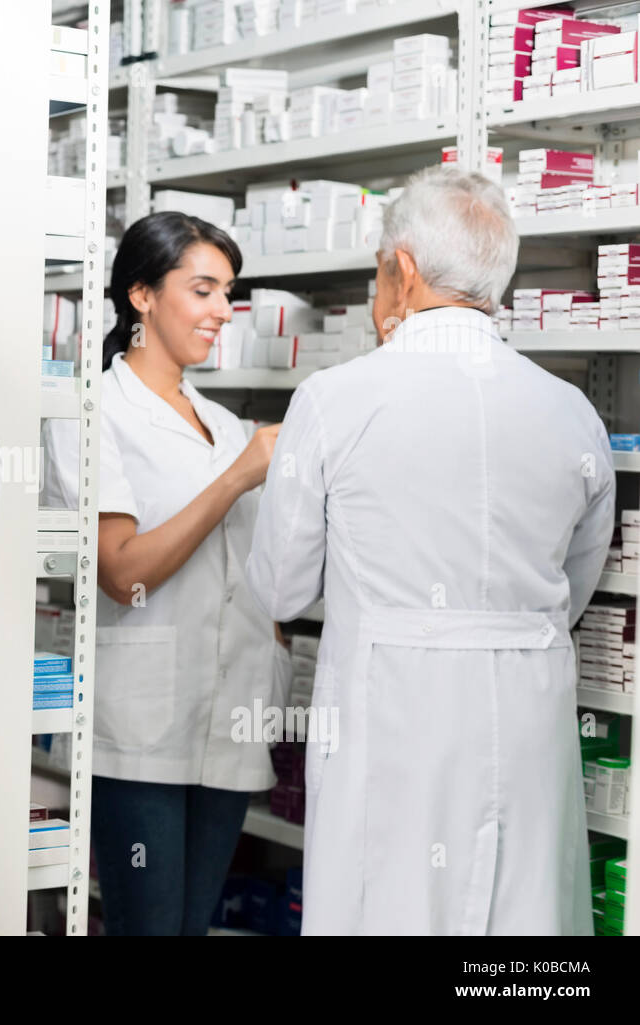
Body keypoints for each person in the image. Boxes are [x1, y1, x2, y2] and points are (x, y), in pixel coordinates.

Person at [246, 165, 614, 935]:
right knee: (523, 934)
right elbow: (572, 590)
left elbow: (280, 589)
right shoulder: (573, 412)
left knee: (389, 909)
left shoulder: (334, 400)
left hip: (391, 716)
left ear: (402, 271)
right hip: (529, 714)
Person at [41, 211, 289, 936]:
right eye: (204, 289)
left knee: (192, 927)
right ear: (142, 295)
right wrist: (238, 477)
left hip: (233, 712)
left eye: (229, 294)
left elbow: (251, 566)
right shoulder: (90, 411)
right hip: (141, 723)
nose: (222, 312)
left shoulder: (225, 421)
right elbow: (123, 571)